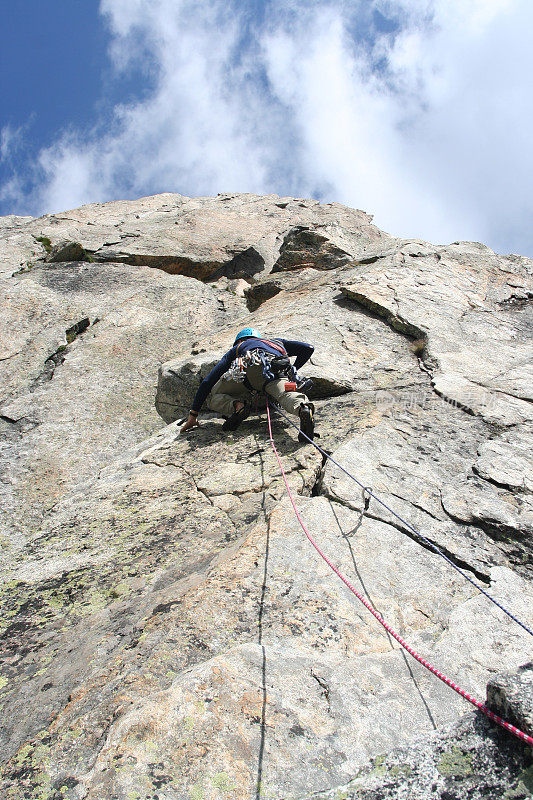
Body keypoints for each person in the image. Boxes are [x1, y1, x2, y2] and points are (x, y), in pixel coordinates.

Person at [180, 327, 315, 442]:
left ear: (239, 340)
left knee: (215, 395)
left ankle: (238, 406)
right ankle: (303, 408)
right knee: (287, 395)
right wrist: (293, 370)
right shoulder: (276, 342)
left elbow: (208, 382)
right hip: (277, 370)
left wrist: (193, 415)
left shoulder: (238, 347)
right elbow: (308, 348)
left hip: (248, 371)